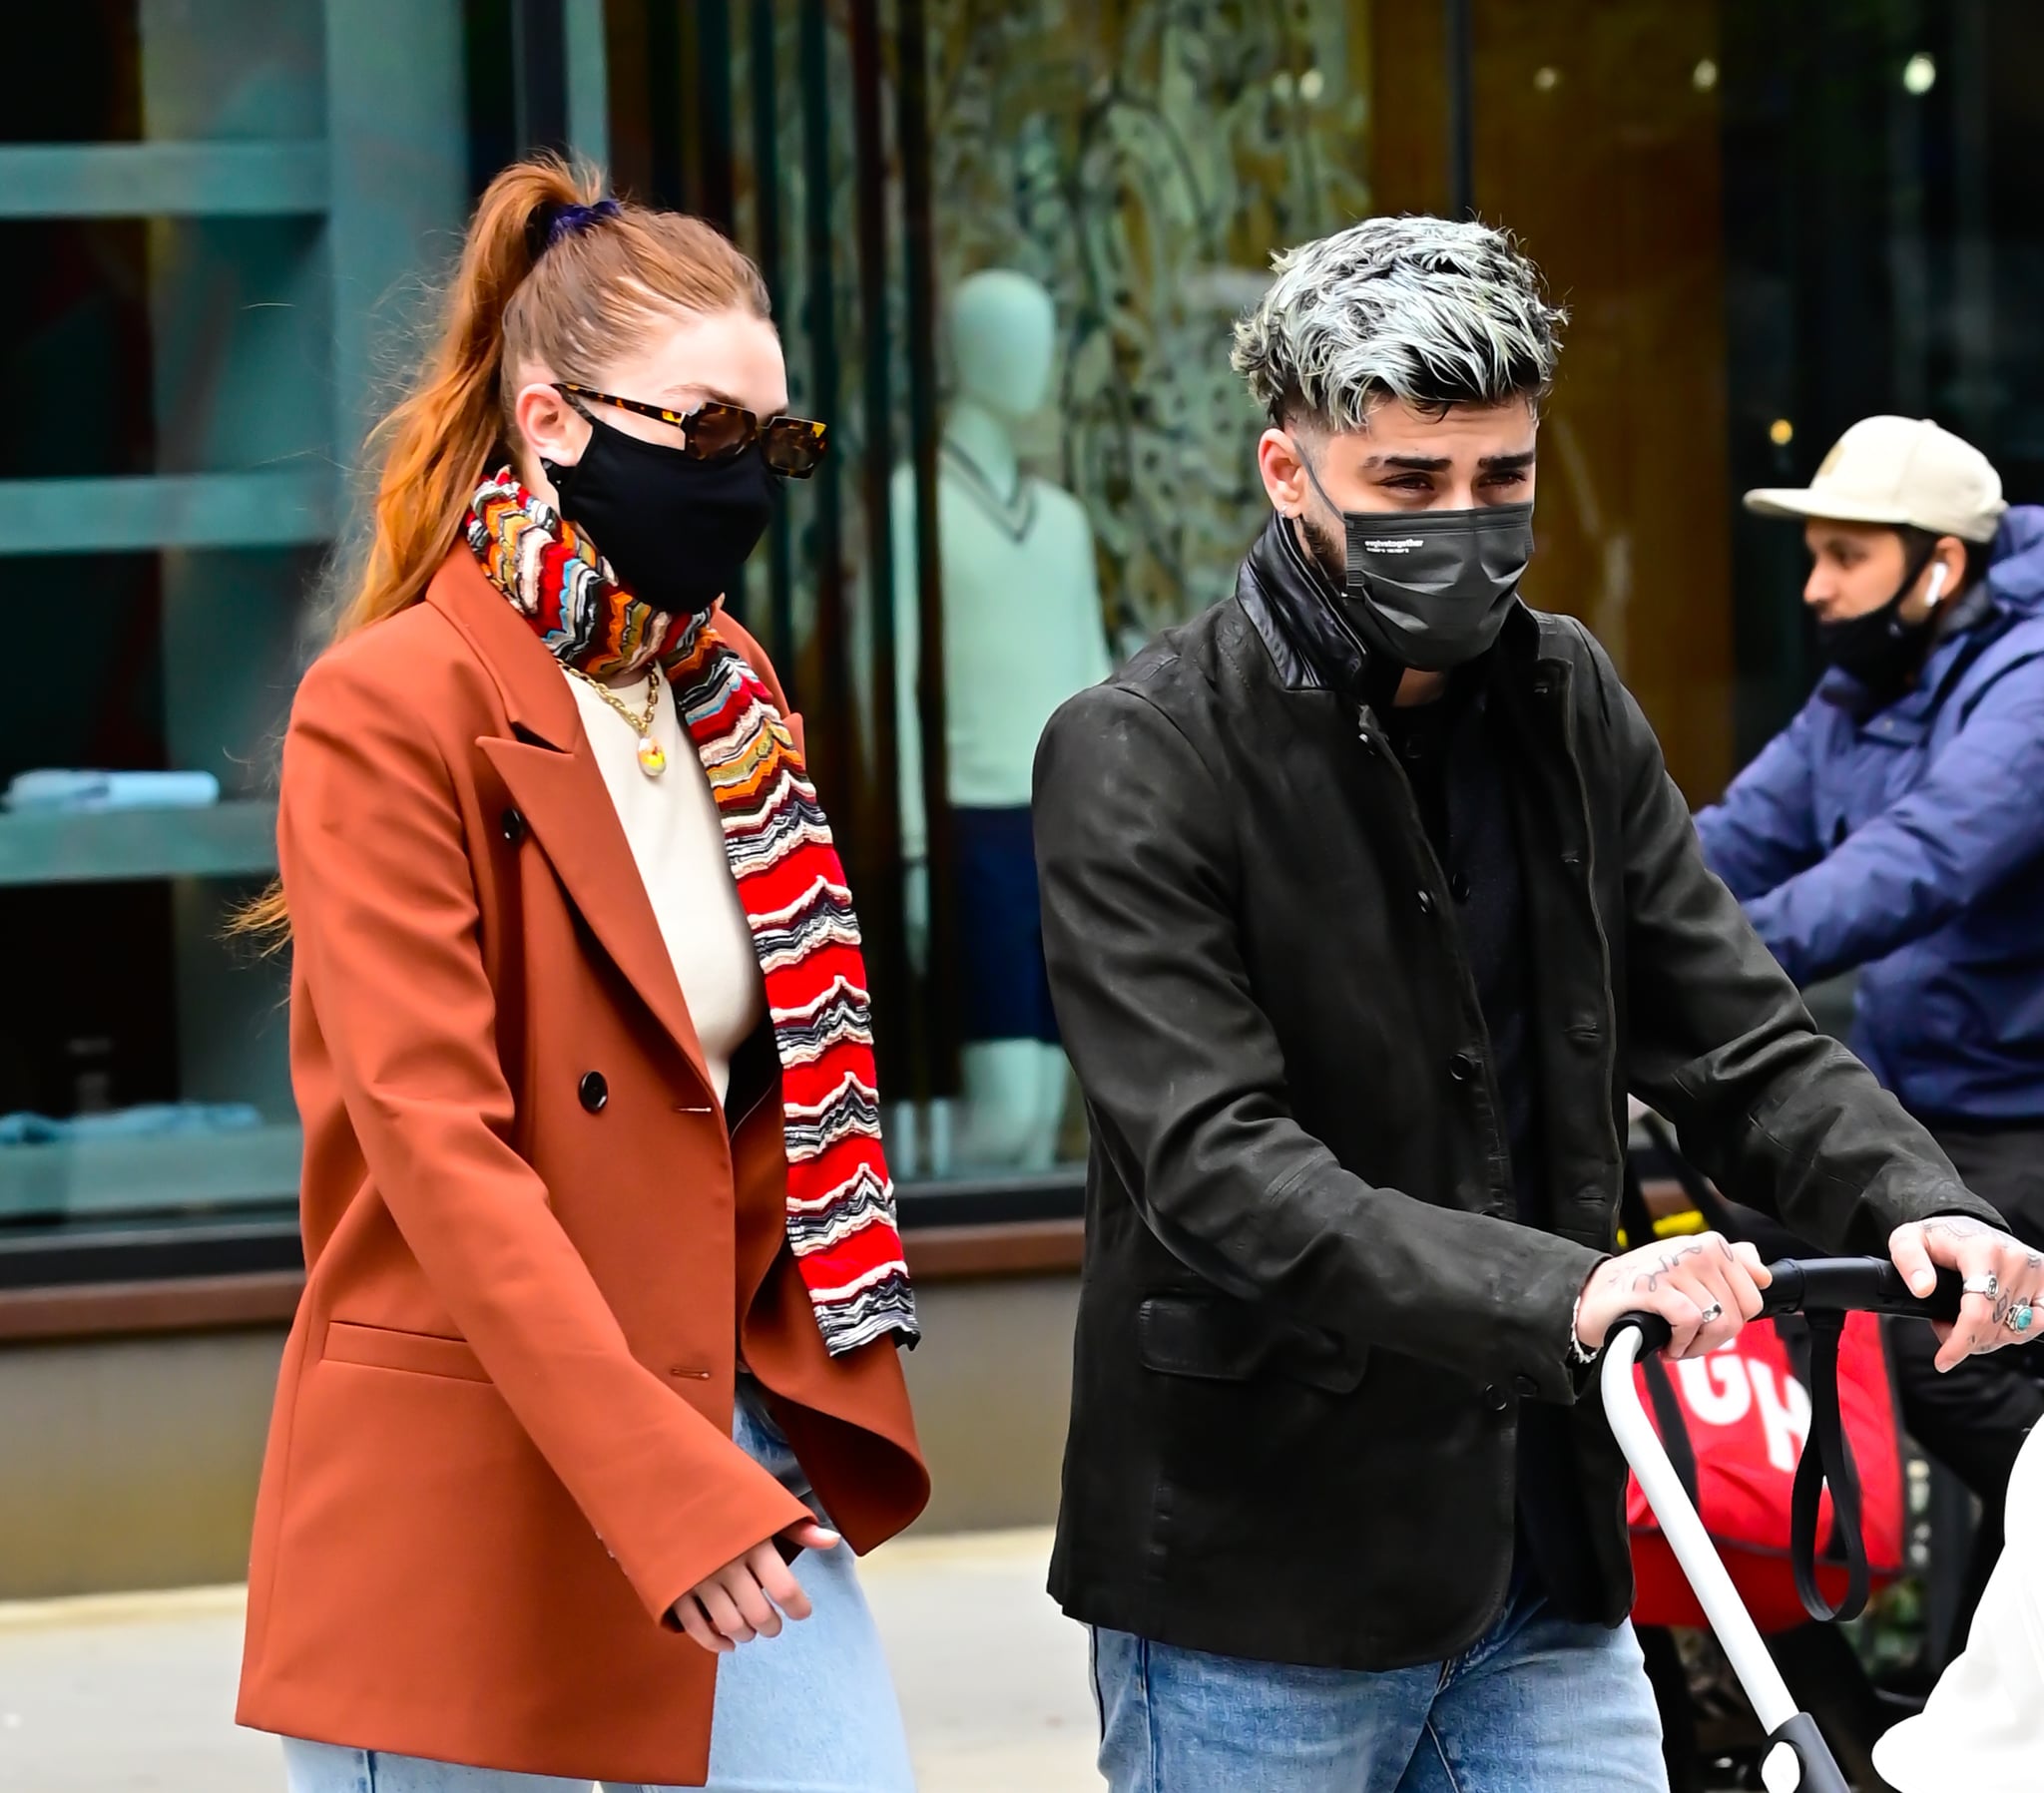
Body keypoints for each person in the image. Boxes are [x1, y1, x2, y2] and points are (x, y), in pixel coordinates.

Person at [1029, 216, 2044, 1793]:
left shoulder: (1569, 694)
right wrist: (1566, 1293)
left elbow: (1740, 1032)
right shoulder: (1139, 751)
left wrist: (1918, 1199)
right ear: (1289, 473)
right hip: (1261, 1582)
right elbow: (1220, 1163)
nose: (1468, 528)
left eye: (1502, 481)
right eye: (1411, 488)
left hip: (1548, 1561)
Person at [232, 156, 927, 1793]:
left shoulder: (729, 691)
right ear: (550, 422)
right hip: (475, 1470)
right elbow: (440, 1155)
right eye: (704, 436)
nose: (745, 484)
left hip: (716, 1425)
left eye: (774, 445)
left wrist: (769, 1416)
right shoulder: (391, 707)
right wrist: (659, 1485)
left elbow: (750, 1094)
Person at [1695, 415, 2044, 1651]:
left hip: (2019, 1118)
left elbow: (1923, 860)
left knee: (1948, 1349)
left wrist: (1700, 975)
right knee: (1734, 1285)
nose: (1813, 587)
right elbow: (1723, 847)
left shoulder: (2028, 677)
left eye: (1844, 556)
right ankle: (1843, 1696)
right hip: (1922, 1105)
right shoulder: (1865, 684)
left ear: (1937, 564)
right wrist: (1605, 920)